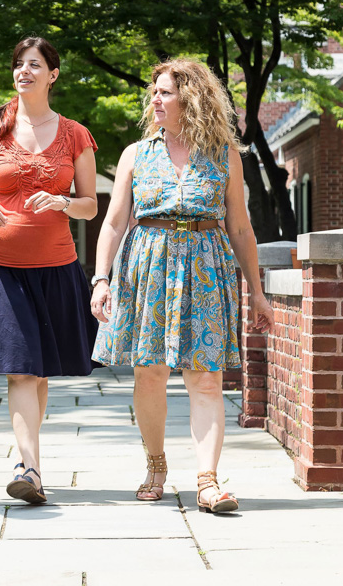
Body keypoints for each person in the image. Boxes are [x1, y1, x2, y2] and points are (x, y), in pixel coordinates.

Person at [90, 58, 274, 514]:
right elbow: (113, 224)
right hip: (146, 268)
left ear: (190, 99)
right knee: (148, 374)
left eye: (165, 92)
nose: (155, 99)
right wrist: (101, 278)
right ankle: (155, 465)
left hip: (205, 270)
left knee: (206, 378)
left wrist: (256, 290)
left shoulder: (225, 155)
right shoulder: (135, 154)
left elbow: (241, 228)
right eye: (154, 91)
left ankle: (208, 483)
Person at [0, 37, 100, 504]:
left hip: (55, 265)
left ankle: (31, 464)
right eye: (18, 65)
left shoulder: (75, 134)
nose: (24, 72)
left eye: (34, 65)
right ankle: (28, 467)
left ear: (53, 74)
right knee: (19, 368)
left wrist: (62, 201)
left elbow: (91, 206)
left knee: (38, 372)